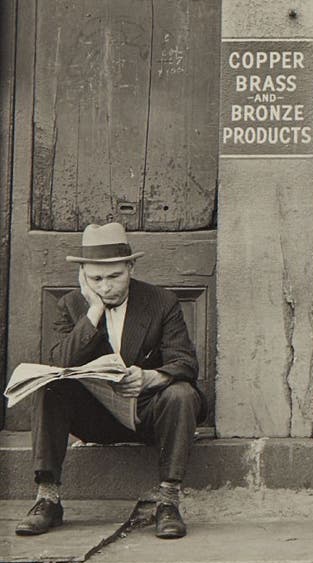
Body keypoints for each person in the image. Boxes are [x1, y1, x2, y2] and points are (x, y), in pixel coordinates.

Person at [16, 222, 205, 539]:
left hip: (147, 414)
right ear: (83, 277)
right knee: (49, 385)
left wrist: (150, 377)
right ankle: (47, 498)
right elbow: (59, 362)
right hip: (96, 417)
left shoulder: (161, 302)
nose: (106, 287)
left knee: (181, 393)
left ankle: (168, 500)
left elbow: (185, 362)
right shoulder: (72, 305)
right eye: (96, 279)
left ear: (131, 267)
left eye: (115, 276)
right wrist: (94, 312)